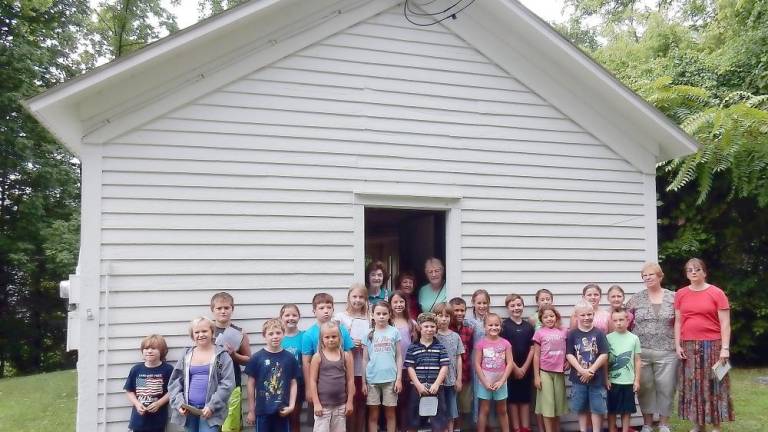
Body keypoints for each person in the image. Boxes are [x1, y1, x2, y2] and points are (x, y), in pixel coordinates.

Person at [674, 258, 734, 431]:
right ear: (686, 274)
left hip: (713, 345)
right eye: (689, 270)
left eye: (697, 269)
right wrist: (678, 345)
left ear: (704, 272)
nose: (693, 272)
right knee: (693, 385)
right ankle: (698, 424)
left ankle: (716, 425)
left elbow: (725, 323)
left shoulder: (717, 293)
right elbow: (678, 321)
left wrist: (725, 348)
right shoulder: (681, 294)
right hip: (689, 346)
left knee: (714, 383)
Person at [626, 262, 677, 432]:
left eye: (651, 275)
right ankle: (647, 423)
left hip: (668, 350)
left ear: (660, 276)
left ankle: (664, 423)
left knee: (666, 387)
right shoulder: (635, 299)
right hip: (642, 351)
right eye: (644, 276)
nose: (647, 278)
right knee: (645, 387)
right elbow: (625, 322)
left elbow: (681, 322)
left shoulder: (674, 297)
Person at [169, 317, 235, 432]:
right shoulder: (186, 354)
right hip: (189, 411)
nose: (201, 335)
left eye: (204, 331)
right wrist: (179, 403)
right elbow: (175, 381)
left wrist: (212, 406)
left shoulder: (222, 355)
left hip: (210, 412)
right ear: (192, 335)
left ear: (212, 332)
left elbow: (227, 383)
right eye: (197, 332)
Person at [244, 319, 298, 432]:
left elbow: (293, 383)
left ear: (283, 334)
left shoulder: (290, 358)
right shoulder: (257, 358)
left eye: (278, 333)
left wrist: (292, 406)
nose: (275, 336)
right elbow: (250, 384)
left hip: (282, 411)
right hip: (262, 411)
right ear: (264, 336)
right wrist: (251, 410)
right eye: (271, 334)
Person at [210, 292, 251, 432]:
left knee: (231, 425)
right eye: (219, 308)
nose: (223, 311)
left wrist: (234, 354)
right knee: (211, 423)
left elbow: (248, 360)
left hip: (232, 383)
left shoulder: (239, 333)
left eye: (226, 308)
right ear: (212, 310)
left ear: (232, 309)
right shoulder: (205, 331)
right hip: (210, 384)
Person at [566, 301, 609, 432]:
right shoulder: (572, 334)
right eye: (583, 315)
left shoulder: (599, 333)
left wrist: (590, 370)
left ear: (593, 314)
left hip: (597, 379)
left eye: (589, 314)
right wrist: (581, 370)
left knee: (597, 408)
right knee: (581, 407)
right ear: (577, 316)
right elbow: (569, 354)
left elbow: (604, 354)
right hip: (578, 379)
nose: (586, 317)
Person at [405, 312, 450, 432]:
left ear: (436, 328)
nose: (429, 329)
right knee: (413, 418)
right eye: (426, 326)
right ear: (419, 327)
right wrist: (418, 385)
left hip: (436, 387)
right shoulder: (413, 347)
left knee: (438, 419)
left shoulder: (440, 347)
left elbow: (444, 366)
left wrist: (436, 384)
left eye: (432, 326)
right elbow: (410, 367)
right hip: (417, 387)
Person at [362, 300, 402, 432]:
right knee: (373, 414)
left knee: (390, 413)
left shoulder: (394, 332)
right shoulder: (368, 334)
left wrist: (399, 379)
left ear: (390, 315)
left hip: (390, 379)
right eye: (378, 313)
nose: (381, 316)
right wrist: (363, 382)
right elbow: (365, 359)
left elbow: (398, 356)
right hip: (372, 379)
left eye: (384, 313)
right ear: (372, 315)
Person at [334, 284, 370, 431]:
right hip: (346, 368)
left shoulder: (370, 317)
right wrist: (348, 340)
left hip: (364, 368)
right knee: (349, 404)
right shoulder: (340, 317)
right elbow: (331, 339)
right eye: (354, 296)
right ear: (349, 298)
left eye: (361, 297)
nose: (358, 300)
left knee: (362, 404)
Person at [309, 321, 355, 432]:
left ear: (339, 338)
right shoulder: (317, 357)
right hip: (323, 407)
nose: (331, 339)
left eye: (334, 336)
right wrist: (316, 403)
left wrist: (349, 402)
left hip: (340, 406)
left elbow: (350, 380)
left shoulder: (345, 356)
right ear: (322, 339)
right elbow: (313, 381)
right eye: (327, 337)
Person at [124, 334, 174, 432]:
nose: (149, 351)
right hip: (138, 420)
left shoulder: (167, 370)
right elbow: (129, 391)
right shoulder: (137, 370)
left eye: (154, 348)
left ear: (162, 351)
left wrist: (159, 403)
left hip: (157, 421)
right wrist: (137, 404)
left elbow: (172, 391)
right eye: (146, 348)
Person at [474, 312, 514, 432]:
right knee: (484, 410)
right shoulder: (481, 343)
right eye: (490, 325)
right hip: (485, 381)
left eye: (496, 325)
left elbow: (510, 363)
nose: (494, 327)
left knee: (502, 410)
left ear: (500, 326)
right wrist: (485, 382)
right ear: (485, 327)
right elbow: (477, 364)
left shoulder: (505, 343)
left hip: (501, 381)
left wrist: (502, 381)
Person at [500, 294, 535, 432]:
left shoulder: (528, 326)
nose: (516, 308)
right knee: (513, 400)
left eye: (519, 305)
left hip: (526, 368)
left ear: (523, 306)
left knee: (525, 399)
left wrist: (524, 368)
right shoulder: (504, 326)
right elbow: (502, 349)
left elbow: (532, 348)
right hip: (510, 369)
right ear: (507, 308)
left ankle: (525, 427)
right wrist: (515, 368)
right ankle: (515, 427)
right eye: (512, 306)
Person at [532, 305, 568, 432]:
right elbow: (536, 355)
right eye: (545, 317)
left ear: (556, 317)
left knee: (557, 406)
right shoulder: (539, 333)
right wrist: (536, 376)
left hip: (559, 372)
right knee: (547, 406)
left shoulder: (564, 331)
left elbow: (569, 349)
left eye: (551, 316)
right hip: (544, 372)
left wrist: (568, 361)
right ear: (541, 319)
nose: (549, 319)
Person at [606, 309, 641, 432]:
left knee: (626, 410)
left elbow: (637, 360)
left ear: (628, 321)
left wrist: (637, 380)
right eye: (615, 320)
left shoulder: (634, 338)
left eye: (621, 320)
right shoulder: (608, 338)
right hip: (613, 381)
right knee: (612, 410)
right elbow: (605, 361)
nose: (618, 323)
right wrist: (606, 378)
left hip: (628, 381)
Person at [390, 290, 418, 431]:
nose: (398, 304)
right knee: (392, 401)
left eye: (401, 301)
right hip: (391, 367)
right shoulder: (388, 322)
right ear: (390, 304)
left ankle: (405, 427)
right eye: (395, 302)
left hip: (408, 367)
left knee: (406, 401)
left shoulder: (411, 323)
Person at [434, 302, 465, 432]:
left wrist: (459, 379)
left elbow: (459, 358)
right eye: (440, 315)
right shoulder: (433, 335)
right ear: (435, 317)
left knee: (451, 410)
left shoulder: (455, 336)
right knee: (439, 409)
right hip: (436, 381)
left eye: (447, 316)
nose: (443, 318)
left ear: (450, 318)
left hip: (451, 380)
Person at [448, 297, 474, 429]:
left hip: (465, 375)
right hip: (449, 377)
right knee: (451, 409)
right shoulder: (446, 330)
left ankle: (461, 429)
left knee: (465, 408)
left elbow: (470, 353)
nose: (459, 313)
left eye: (462, 310)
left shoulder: (468, 330)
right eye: (456, 310)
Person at [280, 304, 305, 432]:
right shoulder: (278, 338)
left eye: (294, 315)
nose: (291, 318)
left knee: (295, 416)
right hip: (280, 383)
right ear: (281, 318)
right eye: (287, 315)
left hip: (299, 382)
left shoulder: (304, 336)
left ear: (299, 317)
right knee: (281, 417)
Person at [467, 289, 490, 422]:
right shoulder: (469, 322)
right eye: (479, 303)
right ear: (473, 303)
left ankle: (489, 422)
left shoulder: (492, 319)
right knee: (477, 391)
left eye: (485, 303)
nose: (482, 306)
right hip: (475, 360)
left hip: (491, 361)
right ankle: (478, 423)